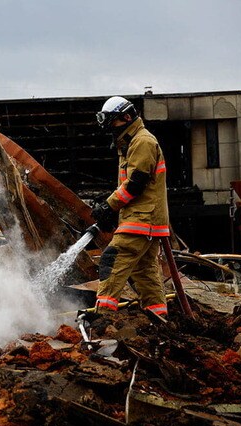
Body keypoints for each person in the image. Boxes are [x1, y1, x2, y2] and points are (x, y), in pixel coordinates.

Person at [91, 96, 169, 317]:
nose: (111, 130)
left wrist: (109, 206)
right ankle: (159, 318)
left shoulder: (142, 142)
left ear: (126, 117)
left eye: (113, 123)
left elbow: (136, 184)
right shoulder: (131, 142)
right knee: (145, 272)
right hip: (144, 219)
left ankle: (103, 318)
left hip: (142, 219)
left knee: (112, 260)